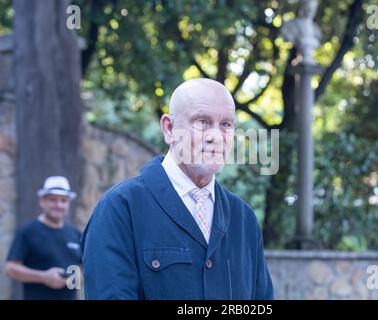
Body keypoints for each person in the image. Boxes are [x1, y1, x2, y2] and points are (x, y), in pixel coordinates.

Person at [81, 78, 274, 300]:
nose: (216, 137)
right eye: (202, 122)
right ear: (169, 128)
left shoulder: (244, 218)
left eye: (226, 125)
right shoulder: (121, 208)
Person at [5, 176, 82, 300]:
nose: (59, 205)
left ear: (69, 203)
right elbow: (11, 268)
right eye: (53, 200)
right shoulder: (28, 231)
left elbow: (82, 267)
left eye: (63, 200)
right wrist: (44, 277)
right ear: (42, 201)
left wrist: (74, 278)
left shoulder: (75, 234)